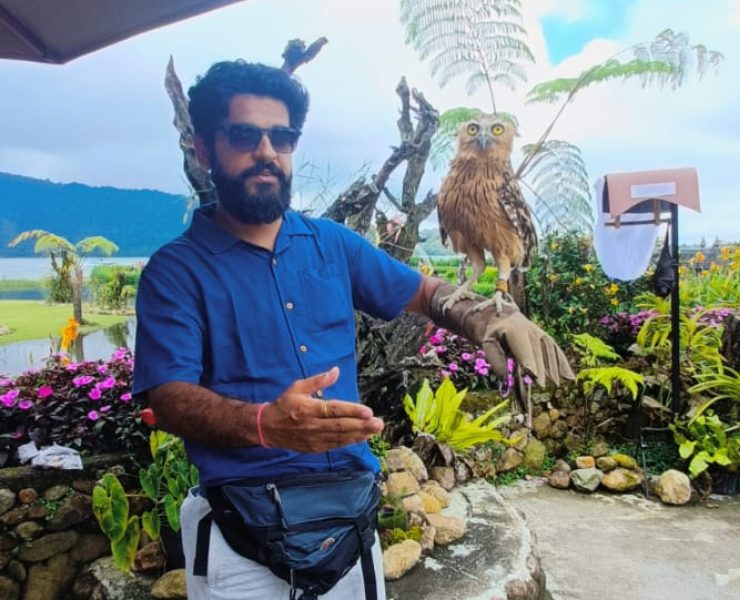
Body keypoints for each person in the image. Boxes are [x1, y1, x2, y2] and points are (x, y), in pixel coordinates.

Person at [132, 59, 573, 600]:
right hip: (239, 531)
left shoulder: (333, 244)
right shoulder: (176, 271)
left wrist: (488, 315)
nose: (267, 151)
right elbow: (169, 398)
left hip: (349, 521)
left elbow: (426, 292)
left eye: (283, 136)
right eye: (245, 135)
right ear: (203, 149)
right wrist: (266, 424)